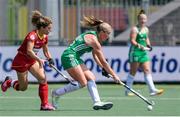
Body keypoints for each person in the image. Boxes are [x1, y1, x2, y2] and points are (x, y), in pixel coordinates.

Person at [51, 16, 120, 110]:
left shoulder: (94, 36)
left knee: (91, 77)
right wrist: (114, 75)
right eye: (108, 33)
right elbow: (104, 61)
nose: (108, 36)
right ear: (102, 32)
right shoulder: (94, 41)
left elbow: (95, 55)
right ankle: (56, 93)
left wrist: (102, 68)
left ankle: (97, 102)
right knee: (82, 82)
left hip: (76, 57)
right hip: (69, 56)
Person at [1, 10, 55, 111]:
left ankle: (44, 105)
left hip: (32, 61)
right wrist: (39, 59)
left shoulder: (44, 37)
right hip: (21, 61)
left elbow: (46, 50)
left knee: (43, 79)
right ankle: (9, 82)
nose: (50, 30)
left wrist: (50, 59)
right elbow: (29, 51)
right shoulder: (32, 36)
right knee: (23, 87)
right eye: (49, 28)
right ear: (42, 28)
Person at [125, 9, 164, 96]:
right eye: (141, 19)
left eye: (144, 19)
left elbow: (146, 38)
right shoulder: (135, 29)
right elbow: (132, 41)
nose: (143, 21)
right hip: (135, 52)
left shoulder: (146, 29)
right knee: (133, 72)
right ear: (138, 20)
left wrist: (148, 45)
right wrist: (140, 46)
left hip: (143, 53)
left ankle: (152, 90)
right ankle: (127, 91)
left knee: (147, 70)